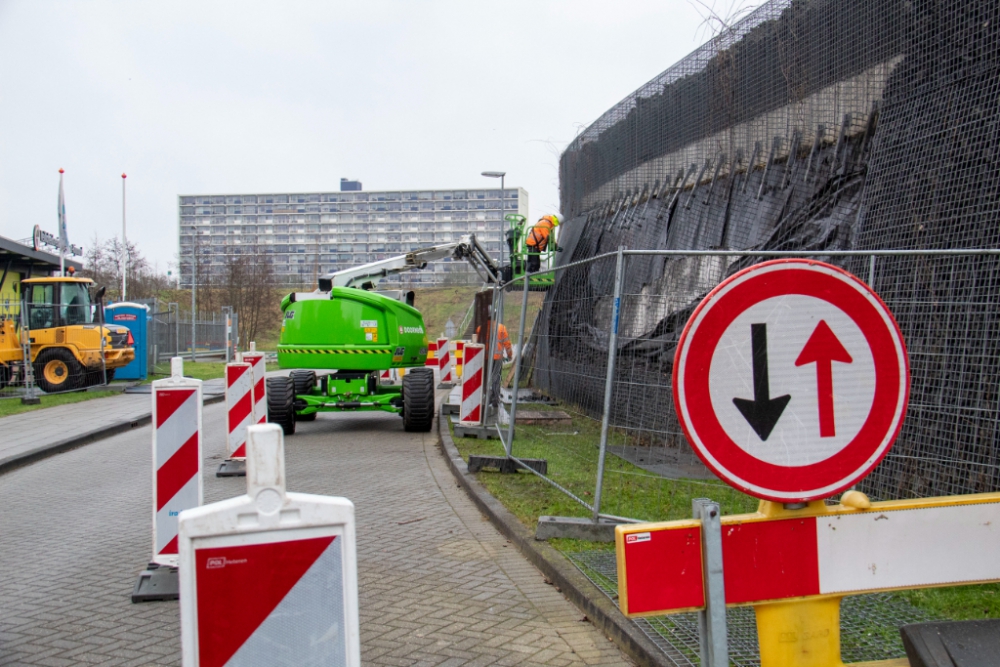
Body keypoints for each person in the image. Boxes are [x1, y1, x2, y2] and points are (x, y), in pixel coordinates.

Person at [476, 317, 512, 410]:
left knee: (485, 378)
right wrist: (509, 355)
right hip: (497, 358)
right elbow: (507, 344)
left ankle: (485, 398)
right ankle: (495, 399)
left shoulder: (480, 329)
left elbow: (477, 344)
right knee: (495, 378)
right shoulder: (501, 328)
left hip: (485, 359)